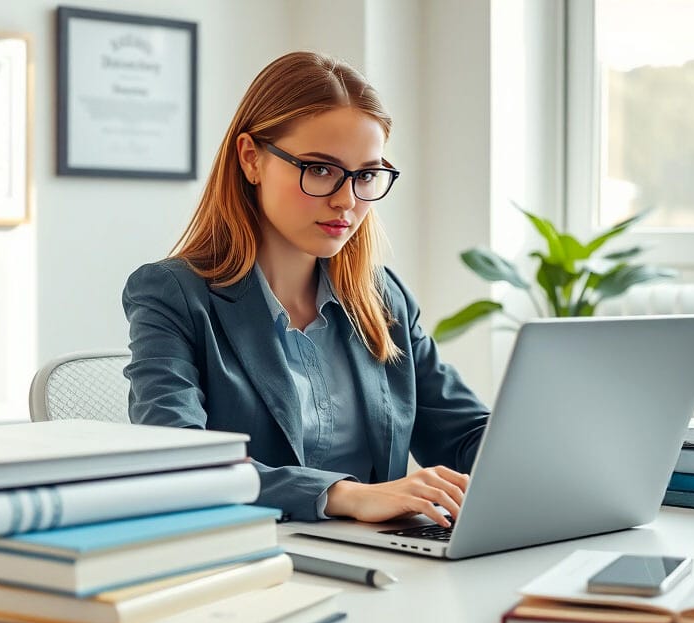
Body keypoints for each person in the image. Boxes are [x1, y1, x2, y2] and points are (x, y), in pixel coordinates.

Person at [122, 51, 489, 526]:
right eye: (319, 169)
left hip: (385, 565)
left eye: (366, 175)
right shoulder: (172, 294)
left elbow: (465, 435)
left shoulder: (381, 298)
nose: (346, 200)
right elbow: (177, 462)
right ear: (251, 159)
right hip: (252, 564)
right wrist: (346, 496)